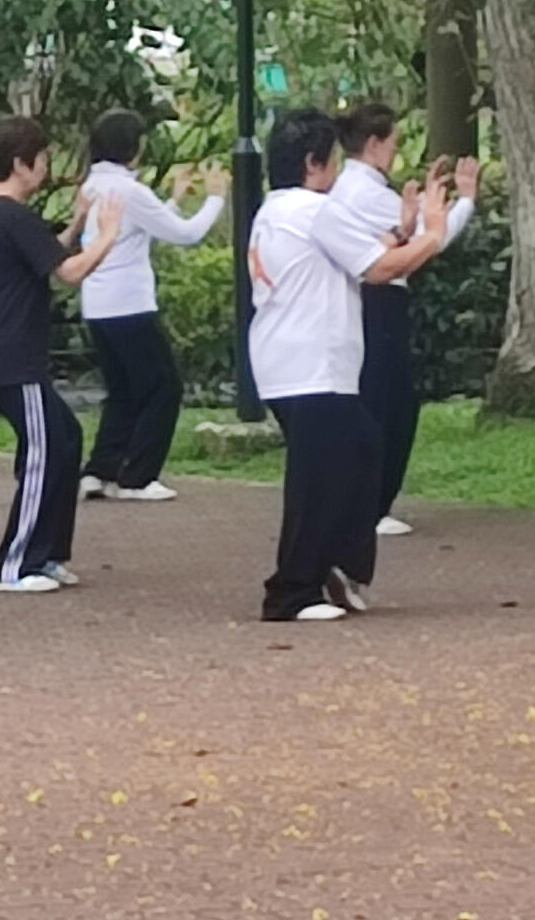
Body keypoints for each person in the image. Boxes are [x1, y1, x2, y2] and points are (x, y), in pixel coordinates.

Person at [249, 111, 449, 623]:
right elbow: (381, 268)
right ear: (315, 164)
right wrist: (431, 234)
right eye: (333, 161)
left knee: (359, 448)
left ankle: (335, 565)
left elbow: (370, 246)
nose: (338, 172)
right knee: (318, 477)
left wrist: (405, 230)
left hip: (293, 359)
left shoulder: (279, 209)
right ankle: (292, 590)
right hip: (310, 363)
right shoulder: (315, 211)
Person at [0, 115, 123, 594]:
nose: (47, 165)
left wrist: (77, 221)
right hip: (9, 359)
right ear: (20, 164)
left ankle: (47, 554)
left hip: (0, 356)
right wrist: (108, 234)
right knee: (44, 450)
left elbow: (46, 254)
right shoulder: (9, 216)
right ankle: (15, 565)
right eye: (42, 157)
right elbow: (69, 272)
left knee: (64, 437)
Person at [327, 102, 477, 537]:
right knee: (388, 400)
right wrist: (464, 199)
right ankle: (373, 503)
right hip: (380, 298)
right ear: (374, 144)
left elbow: (411, 233)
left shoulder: (352, 188)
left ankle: (373, 501)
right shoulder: (367, 193)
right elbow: (436, 237)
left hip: (372, 299)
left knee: (387, 398)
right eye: (392, 142)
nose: (395, 151)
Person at [73, 108, 224, 505]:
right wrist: (215, 199)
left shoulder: (93, 184)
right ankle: (138, 476)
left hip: (98, 302)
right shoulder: (129, 191)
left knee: (123, 390)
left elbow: (137, 232)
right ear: (134, 147)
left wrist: (171, 200)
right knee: (163, 387)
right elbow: (186, 235)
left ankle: (100, 470)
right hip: (130, 304)